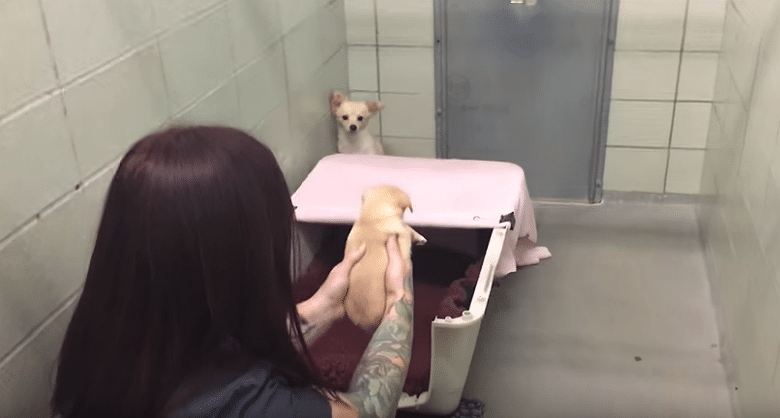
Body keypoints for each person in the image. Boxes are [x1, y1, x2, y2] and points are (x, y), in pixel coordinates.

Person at [50, 126, 414, 418]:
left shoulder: (102, 348)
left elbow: (210, 345)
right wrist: (399, 300)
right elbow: (371, 409)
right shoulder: (246, 403)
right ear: (238, 255)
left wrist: (323, 306)